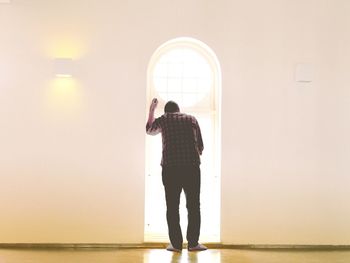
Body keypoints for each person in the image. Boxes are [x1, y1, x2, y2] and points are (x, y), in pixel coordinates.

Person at [146, 98, 207, 252]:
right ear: (178, 110)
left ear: (166, 111)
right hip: (191, 167)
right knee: (194, 206)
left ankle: (176, 245)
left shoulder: (164, 119)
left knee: (172, 207)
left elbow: (149, 130)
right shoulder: (191, 119)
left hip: (171, 168)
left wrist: (152, 110)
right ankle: (193, 243)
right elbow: (200, 146)